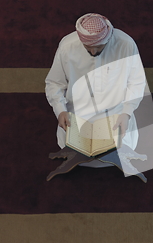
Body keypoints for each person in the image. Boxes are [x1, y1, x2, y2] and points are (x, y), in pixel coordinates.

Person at [45, 13, 147, 168]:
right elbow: (54, 83)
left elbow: (137, 82)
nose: (93, 53)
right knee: (75, 145)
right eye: (88, 48)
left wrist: (126, 112)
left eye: (99, 47)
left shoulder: (125, 44)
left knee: (121, 144)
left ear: (108, 39)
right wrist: (60, 111)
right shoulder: (67, 46)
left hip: (116, 112)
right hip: (78, 112)